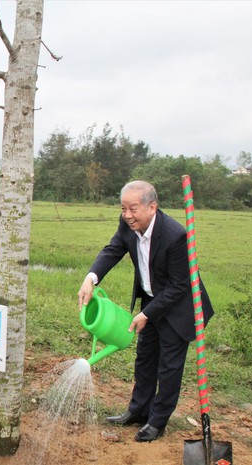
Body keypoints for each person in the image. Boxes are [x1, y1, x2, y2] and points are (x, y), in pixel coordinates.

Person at [77, 180, 213, 442]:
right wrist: (91, 278)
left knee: (169, 367)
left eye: (133, 209)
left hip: (179, 307)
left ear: (152, 207)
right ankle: (138, 411)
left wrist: (147, 314)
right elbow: (113, 250)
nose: (127, 215)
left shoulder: (176, 236)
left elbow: (179, 286)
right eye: (123, 209)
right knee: (145, 358)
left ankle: (157, 421)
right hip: (151, 301)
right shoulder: (128, 226)